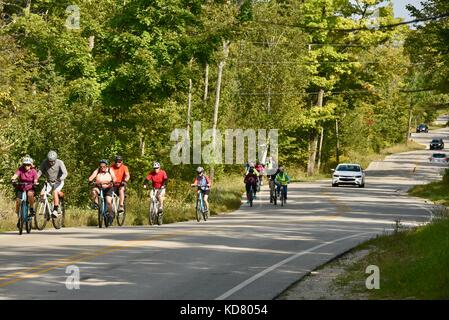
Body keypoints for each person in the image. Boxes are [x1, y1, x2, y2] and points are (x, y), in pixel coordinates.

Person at [37, 150, 68, 218]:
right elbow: (40, 172)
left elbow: (65, 173)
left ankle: (55, 210)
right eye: (50, 161)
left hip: (58, 181)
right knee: (42, 194)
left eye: (53, 161)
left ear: (55, 159)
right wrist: (35, 178)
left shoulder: (60, 162)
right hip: (49, 182)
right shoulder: (44, 162)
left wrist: (60, 179)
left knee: (55, 192)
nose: (51, 163)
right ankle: (47, 210)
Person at [11, 157, 38, 226]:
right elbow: (15, 175)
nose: (27, 166)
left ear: (31, 165)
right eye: (25, 164)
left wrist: (35, 183)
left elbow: (35, 179)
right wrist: (13, 179)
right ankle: (19, 217)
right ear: (23, 165)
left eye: (28, 165)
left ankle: (31, 209)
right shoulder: (20, 169)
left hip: (30, 187)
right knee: (18, 200)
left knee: (30, 195)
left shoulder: (33, 171)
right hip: (21, 187)